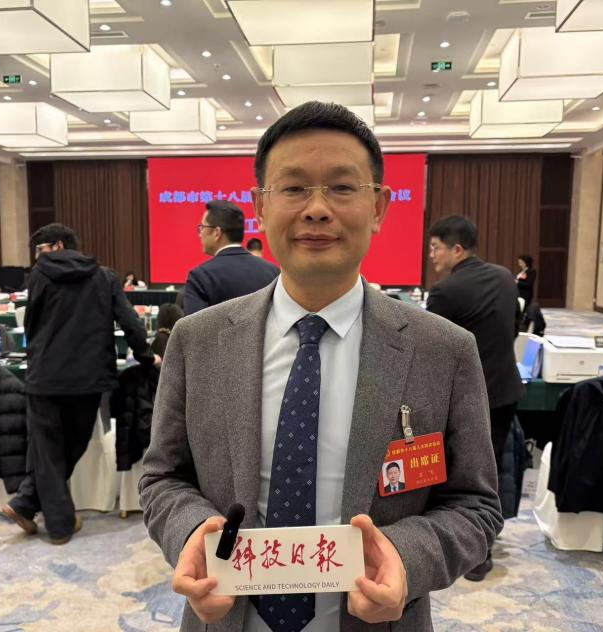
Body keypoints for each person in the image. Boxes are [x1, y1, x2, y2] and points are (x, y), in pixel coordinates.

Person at [140, 101, 502, 632]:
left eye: (341, 187)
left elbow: (475, 505)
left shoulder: (443, 350)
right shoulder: (199, 342)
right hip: (225, 619)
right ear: (260, 207)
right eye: (293, 188)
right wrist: (193, 533)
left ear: (378, 207)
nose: (316, 209)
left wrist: (404, 557)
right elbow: (163, 478)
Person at [2, 223, 160, 545]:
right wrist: (146, 357)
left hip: (45, 377)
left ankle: (36, 509)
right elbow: (129, 321)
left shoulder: (39, 276)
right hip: (89, 380)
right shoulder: (104, 276)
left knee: (49, 450)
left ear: (58, 246)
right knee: (72, 445)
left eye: (40, 250)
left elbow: (31, 324)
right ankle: (45, 514)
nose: (37, 257)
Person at [426, 215, 523, 582]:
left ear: (457, 249)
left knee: (463, 475)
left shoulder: (446, 291)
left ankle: (473, 552)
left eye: (435, 248)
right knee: (491, 469)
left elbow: (429, 350)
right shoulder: (505, 277)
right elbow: (513, 329)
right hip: (506, 389)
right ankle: (484, 546)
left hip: (468, 397)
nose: (432, 255)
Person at [184, 200, 280, 315]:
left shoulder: (200, 277)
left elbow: (194, 325)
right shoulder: (273, 272)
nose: (200, 234)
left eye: (202, 227)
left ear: (217, 232)